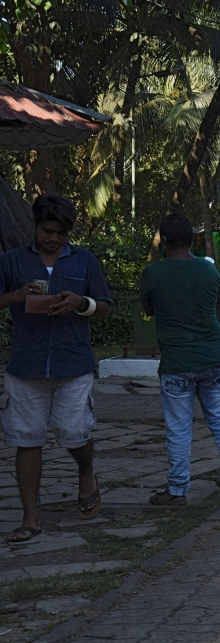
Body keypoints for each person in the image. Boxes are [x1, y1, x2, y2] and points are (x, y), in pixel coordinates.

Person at [0, 194, 112, 541]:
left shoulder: (84, 261)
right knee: (27, 440)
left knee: (75, 434)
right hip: (26, 363)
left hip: (73, 362)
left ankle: (86, 471)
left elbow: (104, 306)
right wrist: (17, 296)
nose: (54, 238)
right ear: (35, 225)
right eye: (48, 231)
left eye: (61, 234)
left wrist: (80, 303)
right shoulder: (11, 261)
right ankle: (30, 517)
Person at [139, 214, 220, 506]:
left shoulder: (153, 273)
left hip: (177, 363)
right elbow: (214, 300)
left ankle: (177, 490)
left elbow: (149, 309)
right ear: (193, 239)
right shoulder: (208, 270)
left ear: (164, 240)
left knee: (179, 429)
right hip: (213, 358)